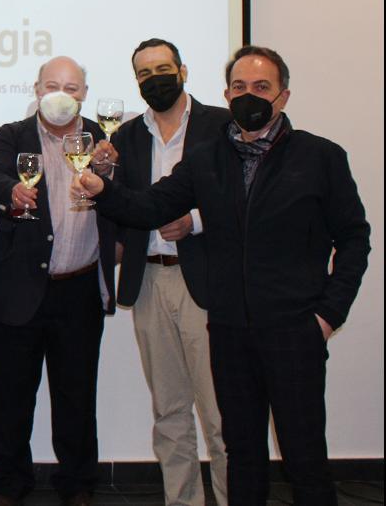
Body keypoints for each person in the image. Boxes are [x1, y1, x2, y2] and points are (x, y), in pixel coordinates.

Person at [76, 46, 371, 506]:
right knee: (242, 455)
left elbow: (354, 239)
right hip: (230, 328)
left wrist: (329, 315)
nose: (248, 95)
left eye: (261, 87)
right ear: (226, 93)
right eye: (239, 87)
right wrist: (102, 189)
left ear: (284, 96)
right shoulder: (208, 158)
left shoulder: (320, 156)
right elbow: (152, 205)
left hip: (295, 328)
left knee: (304, 458)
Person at [0, 56, 117, 506]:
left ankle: (78, 485)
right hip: (19, 289)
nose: (63, 94)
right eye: (54, 85)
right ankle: (9, 485)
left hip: (79, 290)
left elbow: (122, 199)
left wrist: (112, 172)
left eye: (73, 87)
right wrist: (10, 194)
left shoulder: (101, 140)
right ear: (37, 89)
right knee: (11, 400)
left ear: (84, 93)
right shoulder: (11, 135)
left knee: (77, 398)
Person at [110, 38, 230, 506]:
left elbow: (243, 196)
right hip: (149, 284)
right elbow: (121, 206)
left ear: (183, 70)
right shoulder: (124, 137)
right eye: (143, 73)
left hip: (206, 284)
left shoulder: (221, 125)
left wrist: (196, 221)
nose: (153, 79)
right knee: (170, 412)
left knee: (220, 414)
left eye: (162, 68)